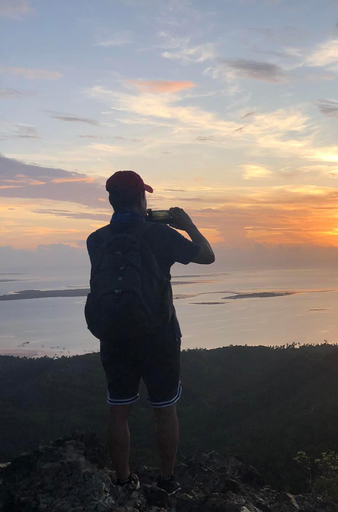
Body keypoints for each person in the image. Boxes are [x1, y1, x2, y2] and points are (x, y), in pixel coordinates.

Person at [86, 170, 215, 494]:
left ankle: (122, 479)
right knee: (164, 408)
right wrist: (186, 225)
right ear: (142, 198)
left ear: (112, 200)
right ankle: (167, 481)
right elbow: (207, 255)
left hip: (114, 336)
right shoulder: (160, 236)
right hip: (158, 334)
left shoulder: (96, 239)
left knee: (118, 409)